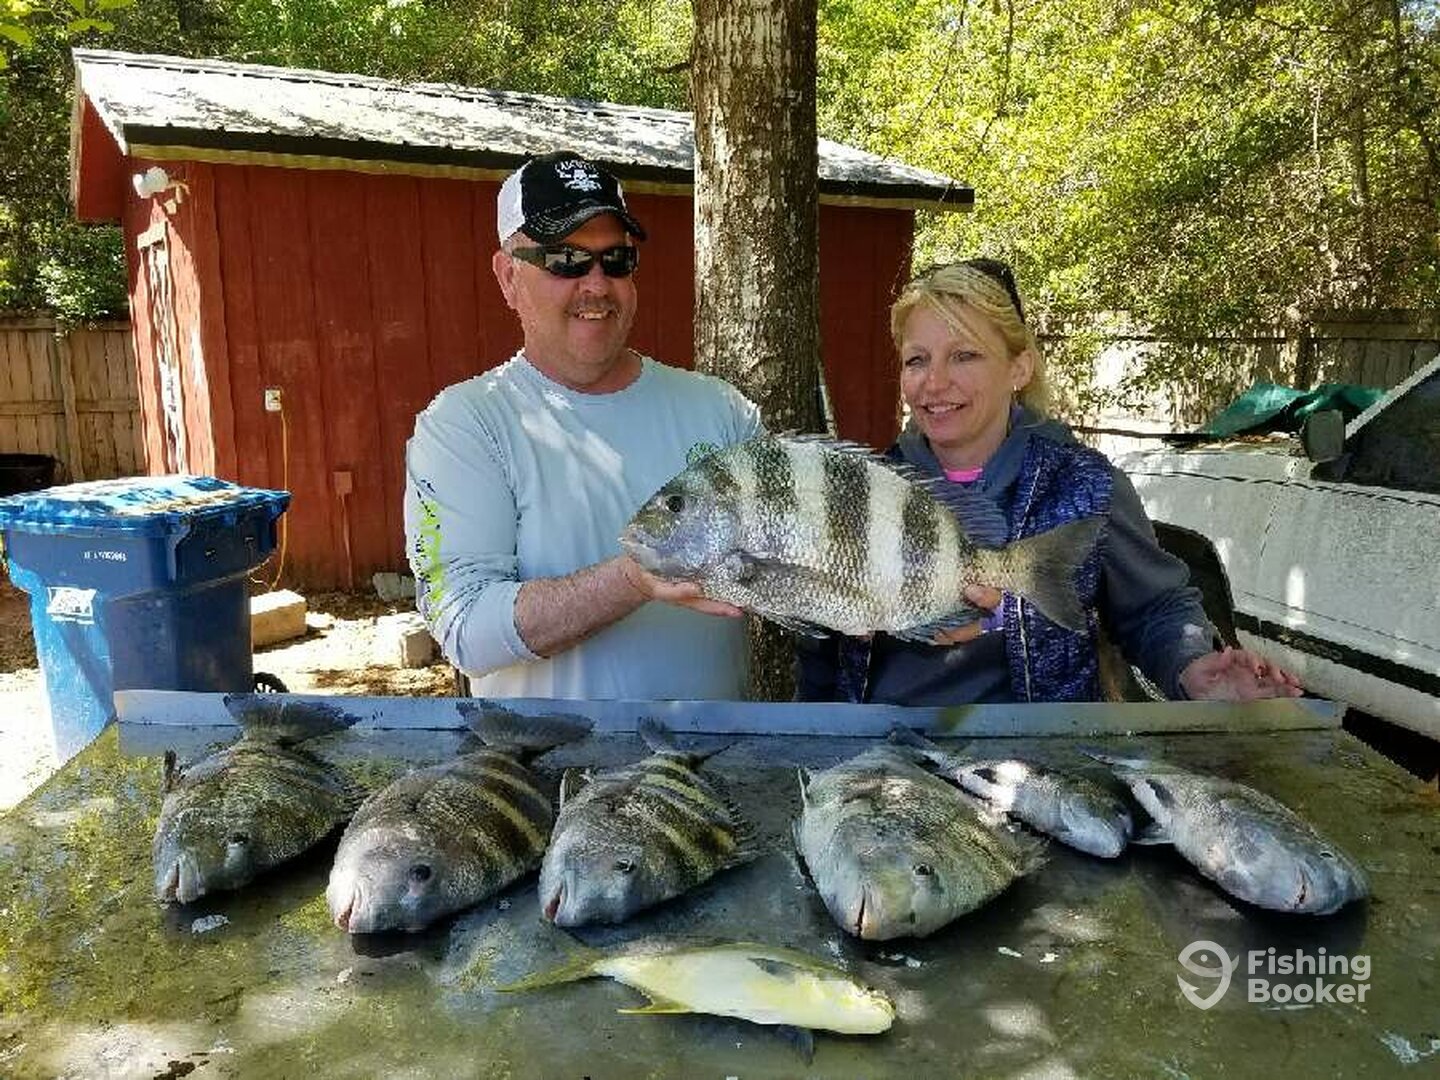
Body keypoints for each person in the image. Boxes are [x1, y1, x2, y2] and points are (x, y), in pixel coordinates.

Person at [797, 258, 1303, 705]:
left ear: (1018, 368)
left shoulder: (1086, 487)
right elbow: (819, 650)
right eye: (917, 360)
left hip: (1045, 756)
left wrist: (1194, 667)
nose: (935, 381)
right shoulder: (861, 491)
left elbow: (1156, 609)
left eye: (964, 355)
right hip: (884, 752)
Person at [404, 151, 760, 700]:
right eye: (566, 259)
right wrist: (633, 578)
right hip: (546, 757)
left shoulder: (722, 411)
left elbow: (796, 566)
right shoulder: (463, 426)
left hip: (713, 753)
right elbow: (465, 629)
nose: (596, 284)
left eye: (616, 259)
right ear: (507, 276)